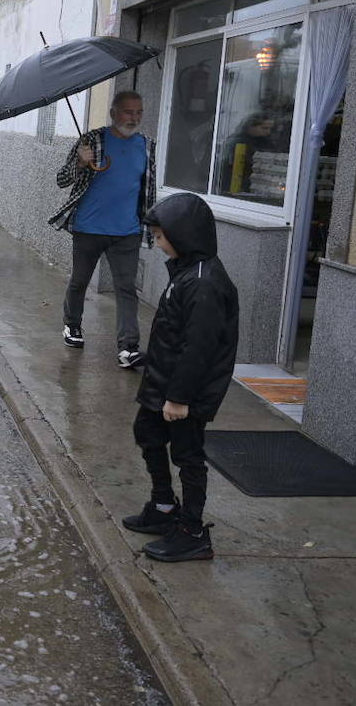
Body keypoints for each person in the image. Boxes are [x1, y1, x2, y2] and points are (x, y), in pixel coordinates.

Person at [122, 192, 238, 562]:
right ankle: (163, 507)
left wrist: (180, 398)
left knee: (187, 455)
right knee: (148, 435)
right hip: (163, 382)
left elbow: (198, 349)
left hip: (185, 393)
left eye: (160, 237)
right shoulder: (186, 272)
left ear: (184, 234)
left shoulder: (205, 282)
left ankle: (191, 531)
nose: (157, 244)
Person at [49, 90, 157, 368]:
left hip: (127, 231)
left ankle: (128, 348)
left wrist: (151, 223)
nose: (133, 118)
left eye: (138, 112)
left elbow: (148, 188)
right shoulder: (92, 140)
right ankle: (72, 325)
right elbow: (61, 179)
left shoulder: (146, 145)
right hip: (89, 227)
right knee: (80, 281)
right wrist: (80, 163)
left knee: (126, 288)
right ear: (113, 113)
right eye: (127, 112)